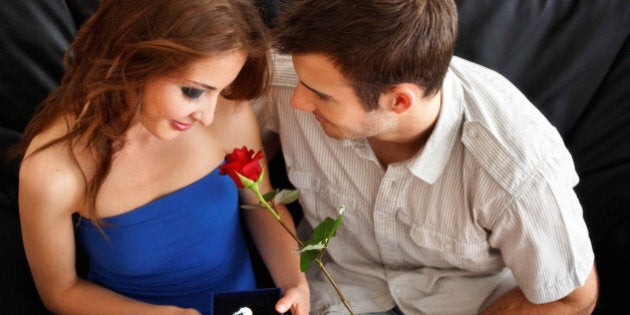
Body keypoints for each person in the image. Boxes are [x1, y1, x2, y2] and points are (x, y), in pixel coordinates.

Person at [255, 0, 599, 314]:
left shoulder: (518, 167)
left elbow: (572, 298)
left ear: (399, 101)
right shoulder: (294, 73)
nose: (297, 102)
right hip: (330, 294)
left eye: (319, 95)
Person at [16, 0, 309, 314]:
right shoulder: (54, 171)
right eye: (193, 92)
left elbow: (263, 205)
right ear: (134, 59)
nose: (209, 116)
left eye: (220, 89)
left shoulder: (228, 113)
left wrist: (295, 282)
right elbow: (61, 292)